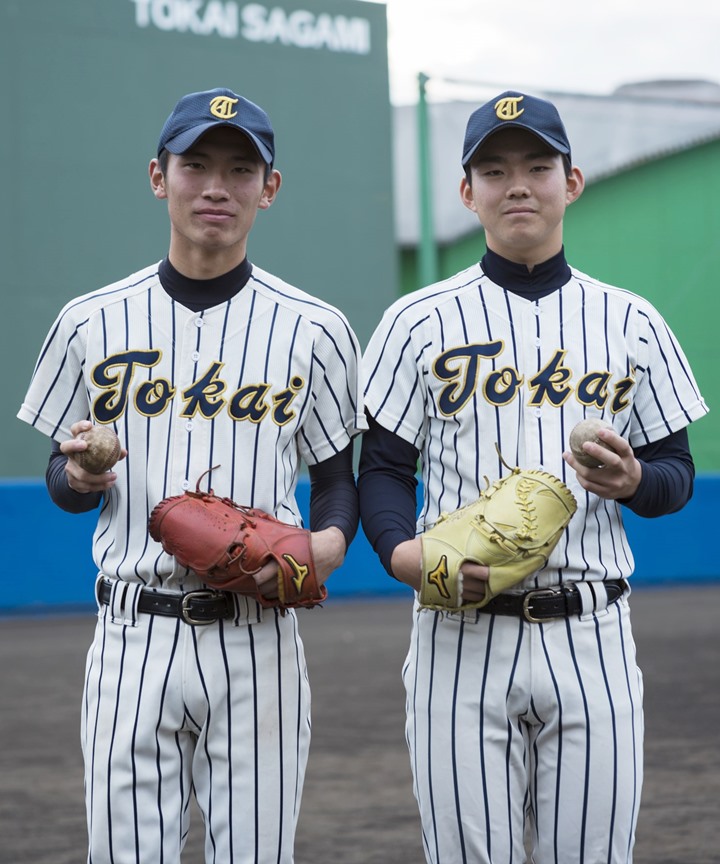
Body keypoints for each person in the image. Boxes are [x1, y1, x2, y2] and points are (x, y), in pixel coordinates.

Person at [358, 90, 708, 863]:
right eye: (494, 170)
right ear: (467, 192)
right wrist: (403, 557)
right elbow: (381, 469)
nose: (517, 184)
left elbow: (676, 474)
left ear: (571, 182)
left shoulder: (632, 322)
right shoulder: (417, 320)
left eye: (537, 167)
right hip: (459, 630)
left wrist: (635, 483)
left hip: (591, 631)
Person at [18, 87, 365, 864]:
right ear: (158, 176)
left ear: (269, 188)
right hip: (133, 634)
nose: (217, 186)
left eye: (241, 170)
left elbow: (335, 476)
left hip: (259, 636)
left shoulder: (316, 328)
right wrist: (78, 480)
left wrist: (330, 545)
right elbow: (60, 480)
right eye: (196, 165)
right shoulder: (89, 321)